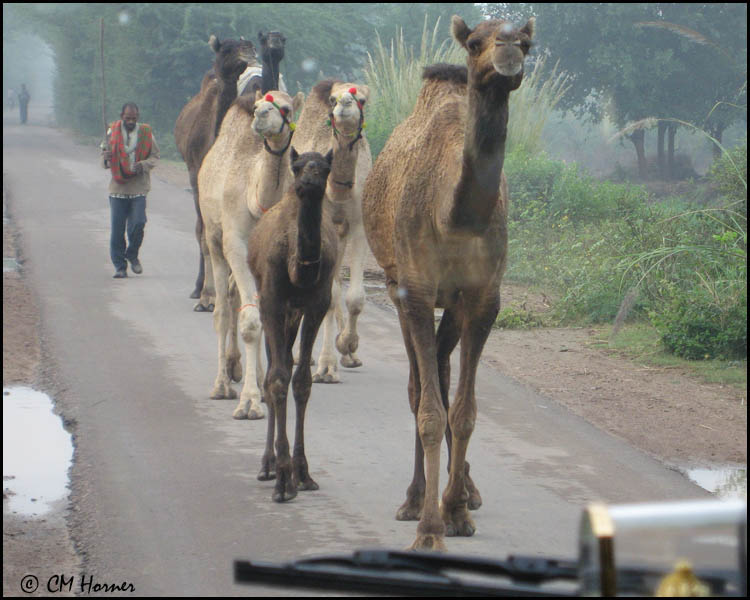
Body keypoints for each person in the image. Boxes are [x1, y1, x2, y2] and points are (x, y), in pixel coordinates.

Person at [101, 102, 160, 278]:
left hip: (139, 187)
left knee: (139, 223)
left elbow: (155, 156)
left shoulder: (146, 134)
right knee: (117, 230)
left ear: (138, 117)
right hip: (118, 188)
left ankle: (132, 254)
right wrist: (106, 157)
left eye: (134, 118)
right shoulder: (111, 132)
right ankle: (120, 266)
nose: (131, 121)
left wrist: (143, 165)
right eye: (127, 118)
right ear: (122, 117)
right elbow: (104, 160)